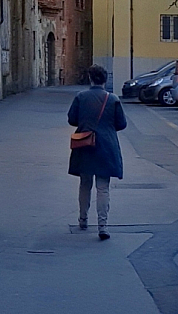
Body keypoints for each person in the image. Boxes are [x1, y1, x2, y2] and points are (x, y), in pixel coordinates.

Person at [67, 64, 127, 240]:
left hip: (85, 144)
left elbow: (72, 119)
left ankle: (83, 220)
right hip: (106, 146)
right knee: (103, 188)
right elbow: (121, 124)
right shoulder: (113, 99)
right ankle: (103, 225)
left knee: (85, 184)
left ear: (90, 78)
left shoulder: (81, 97)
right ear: (105, 80)